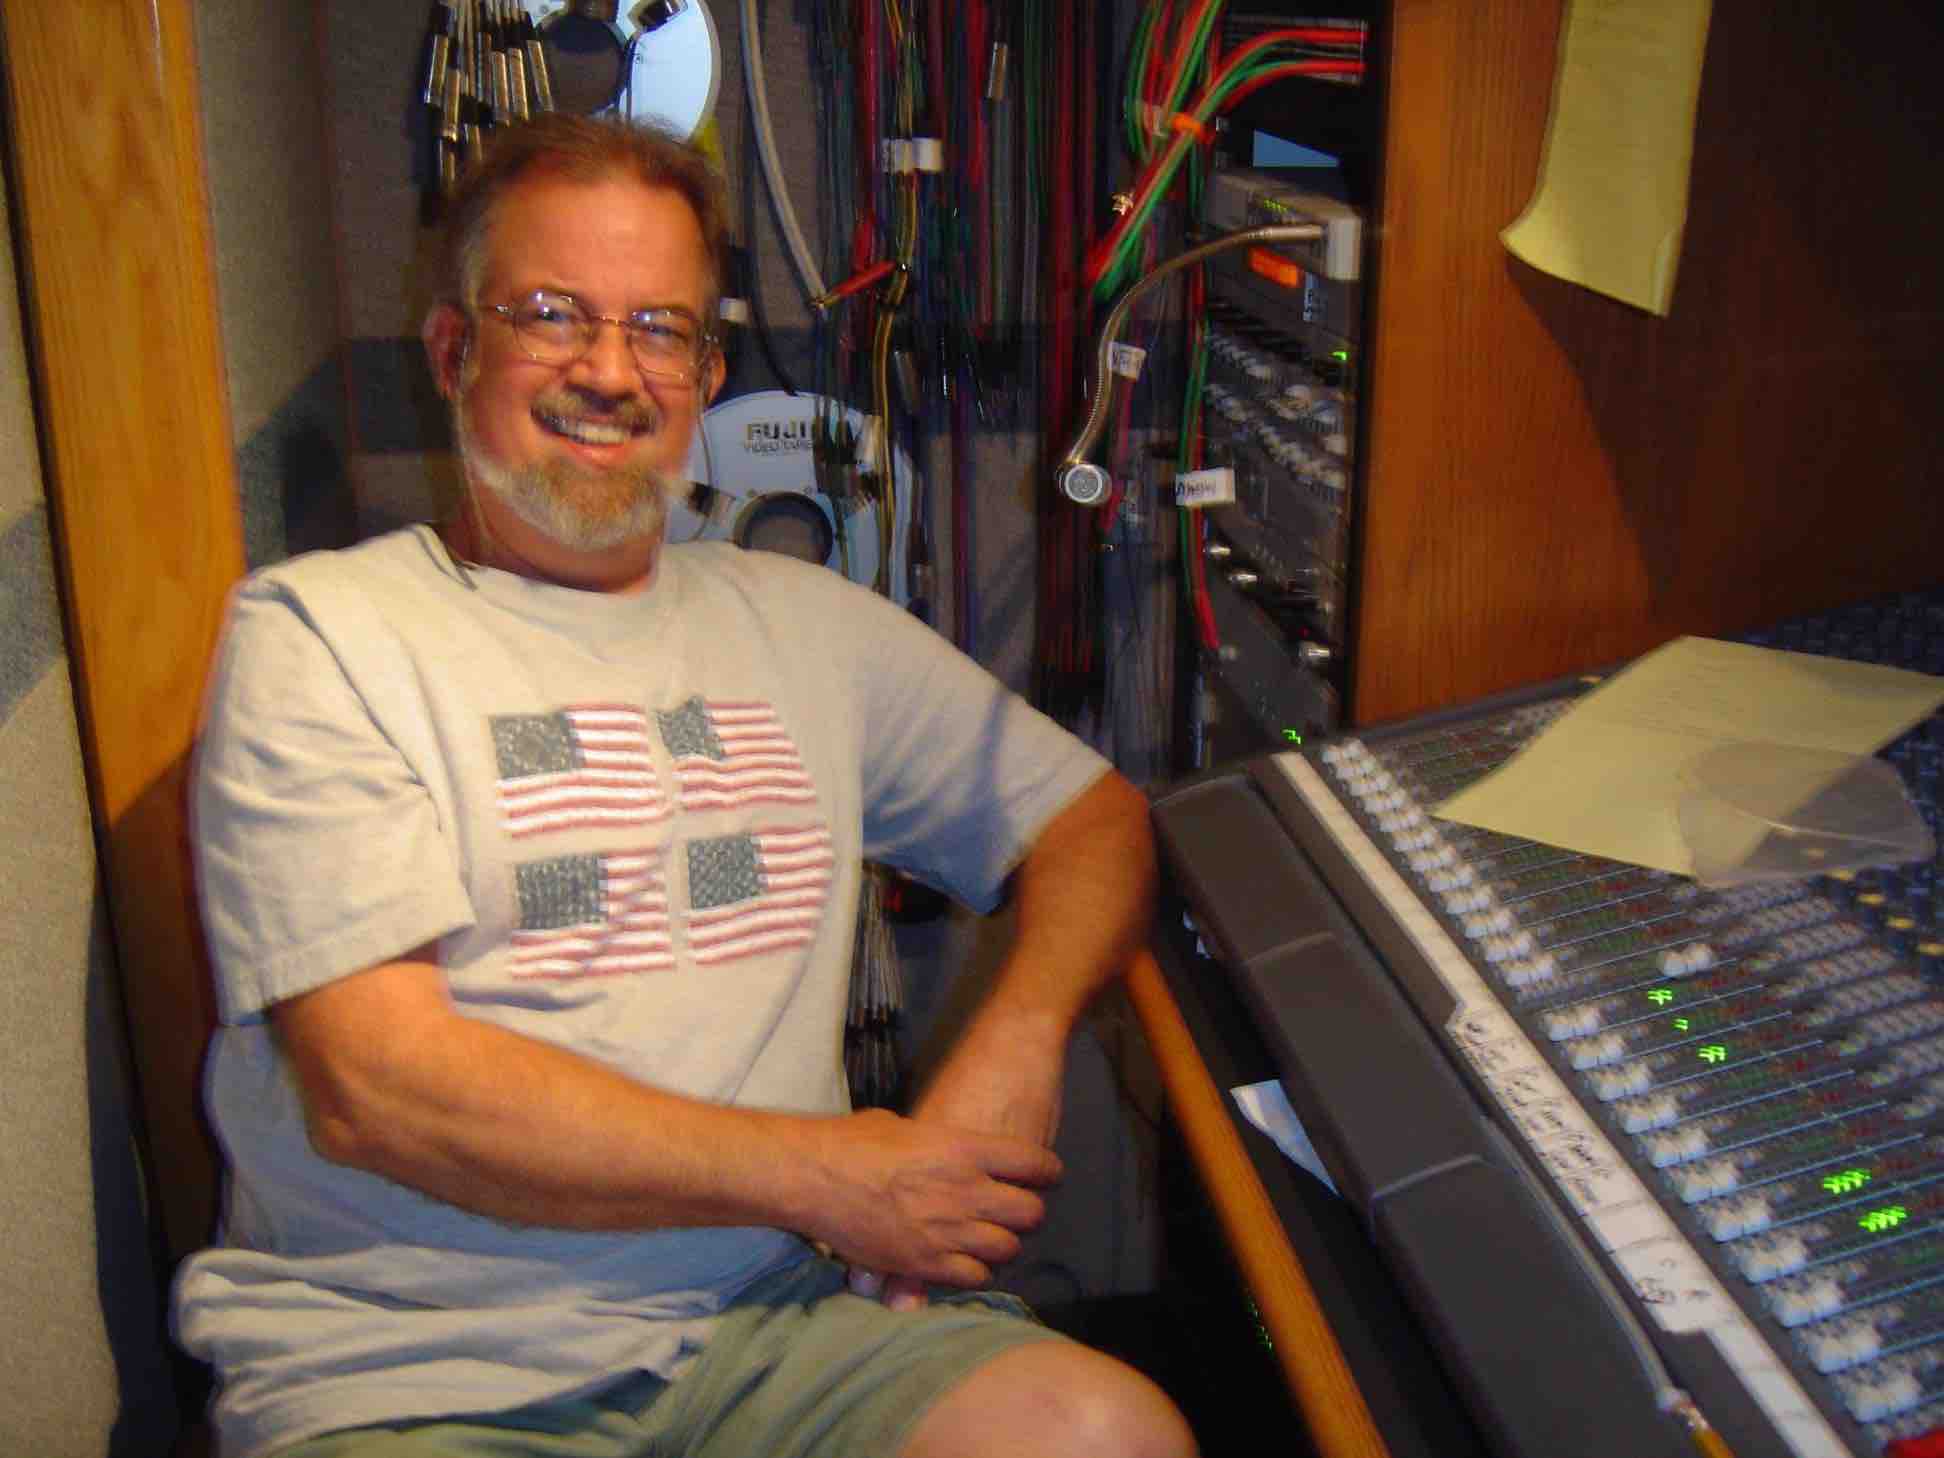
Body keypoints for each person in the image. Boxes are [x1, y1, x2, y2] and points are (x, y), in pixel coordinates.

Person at [174, 112, 1197, 1458]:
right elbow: (382, 1090)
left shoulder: (804, 623)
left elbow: (1094, 820)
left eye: (658, 329)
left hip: (773, 1321)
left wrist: (1015, 1044)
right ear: (452, 350)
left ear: (706, 376)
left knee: (1105, 1430)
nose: (610, 372)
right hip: (418, 1363)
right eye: (552, 314)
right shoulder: (322, 637)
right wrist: (834, 1176)